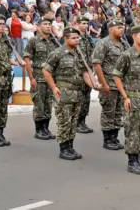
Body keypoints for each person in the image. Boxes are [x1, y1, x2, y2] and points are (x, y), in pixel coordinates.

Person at [42, 27, 99, 160]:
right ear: (65, 38)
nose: (77, 40)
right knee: (64, 121)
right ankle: (64, 149)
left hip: (77, 93)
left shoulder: (79, 53)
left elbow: (85, 72)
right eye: (73, 38)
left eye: (78, 37)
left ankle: (70, 147)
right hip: (64, 93)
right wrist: (54, 87)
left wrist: (94, 85)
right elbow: (46, 70)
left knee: (73, 122)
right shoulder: (58, 53)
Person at [113, 25, 140, 175]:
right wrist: (125, 97)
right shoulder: (127, 55)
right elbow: (117, 76)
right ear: (134, 36)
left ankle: (139, 158)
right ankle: (132, 162)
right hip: (133, 99)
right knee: (132, 132)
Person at [93, 19, 129, 151]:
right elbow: (97, 65)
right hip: (109, 84)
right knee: (109, 112)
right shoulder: (103, 43)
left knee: (118, 112)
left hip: (121, 85)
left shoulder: (124, 44)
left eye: (123, 27)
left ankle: (114, 137)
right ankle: (107, 139)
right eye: (119, 27)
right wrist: (103, 84)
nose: (122, 29)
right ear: (111, 29)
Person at [0, 14, 24, 147]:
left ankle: (0, 133)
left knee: (3, 107)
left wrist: (15, 62)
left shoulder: (7, 40)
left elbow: (7, 57)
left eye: (4, 23)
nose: (3, 26)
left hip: (6, 77)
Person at [23, 16, 60, 140]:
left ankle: (46, 128)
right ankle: (39, 130)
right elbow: (27, 59)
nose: (48, 26)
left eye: (49, 24)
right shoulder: (33, 41)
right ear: (38, 27)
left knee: (48, 104)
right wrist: (31, 77)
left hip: (51, 79)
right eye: (45, 24)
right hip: (38, 78)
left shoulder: (54, 42)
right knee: (39, 104)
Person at [75, 16, 95, 134]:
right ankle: (77, 122)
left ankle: (83, 121)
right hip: (79, 72)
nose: (85, 25)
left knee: (86, 97)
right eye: (83, 23)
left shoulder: (88, 38)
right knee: (80, 98)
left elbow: (92, 52)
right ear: (77, 24)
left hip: (89, 71)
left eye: (86, 23)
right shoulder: (75, 37)